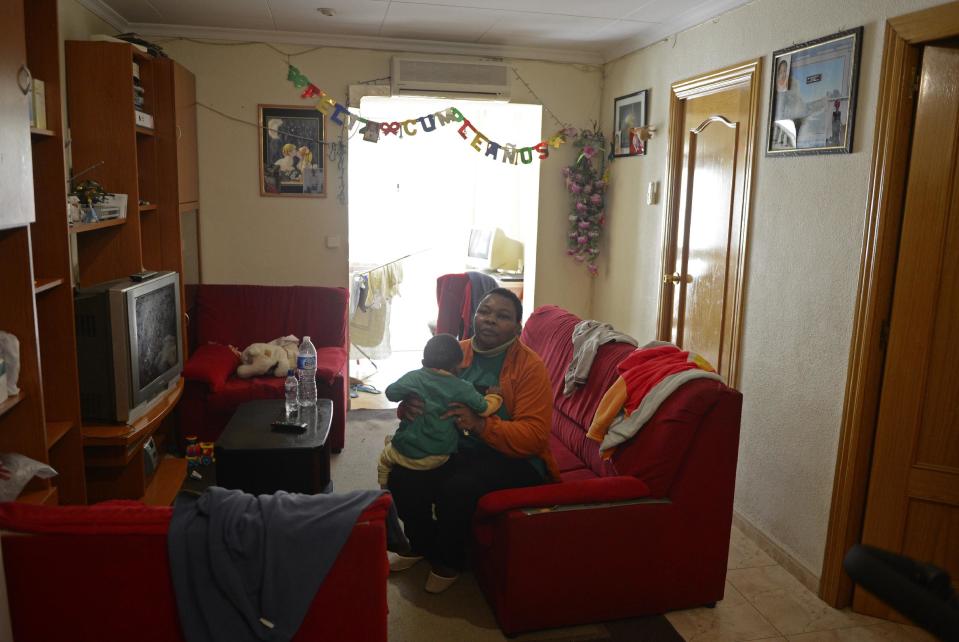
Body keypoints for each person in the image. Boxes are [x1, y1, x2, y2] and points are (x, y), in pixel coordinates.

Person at [387, 288, 559, 593]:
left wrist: (481, 425)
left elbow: (534, 438)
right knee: (402, 476)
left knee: (456, 487)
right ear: (474, 316)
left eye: (502, 316)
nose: (490, 320)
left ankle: (450, 561)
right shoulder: (455, 352)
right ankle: (422, 545)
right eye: (485, 311)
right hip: (455, 446)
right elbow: (421, 388)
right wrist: (408, 407)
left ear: (518, 327)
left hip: (514, 458)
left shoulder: (530, 367)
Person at [376, 333, 504, 489]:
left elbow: (391, 393)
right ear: (457, 367)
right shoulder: (462, 387)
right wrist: (494, 396)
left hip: (408, 453)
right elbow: (484, 409)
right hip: (442, 455)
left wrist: (408, 394)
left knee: (385, 458)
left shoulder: (414, 378)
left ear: (423, 362)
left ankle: (384, 488)